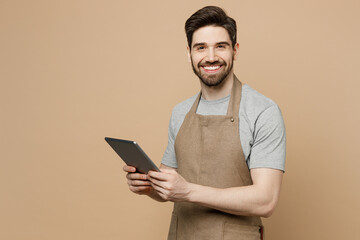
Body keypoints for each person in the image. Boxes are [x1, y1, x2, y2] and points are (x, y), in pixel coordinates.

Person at [123, 6, 286, 240]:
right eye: (201, 47)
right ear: (189, 53)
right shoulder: (180, 113)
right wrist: (148, 186)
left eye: (220, 46)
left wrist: (188, 191)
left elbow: (266, 201)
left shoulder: (263, 111)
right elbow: (169, 186)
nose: (211, 57)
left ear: (235, 50)